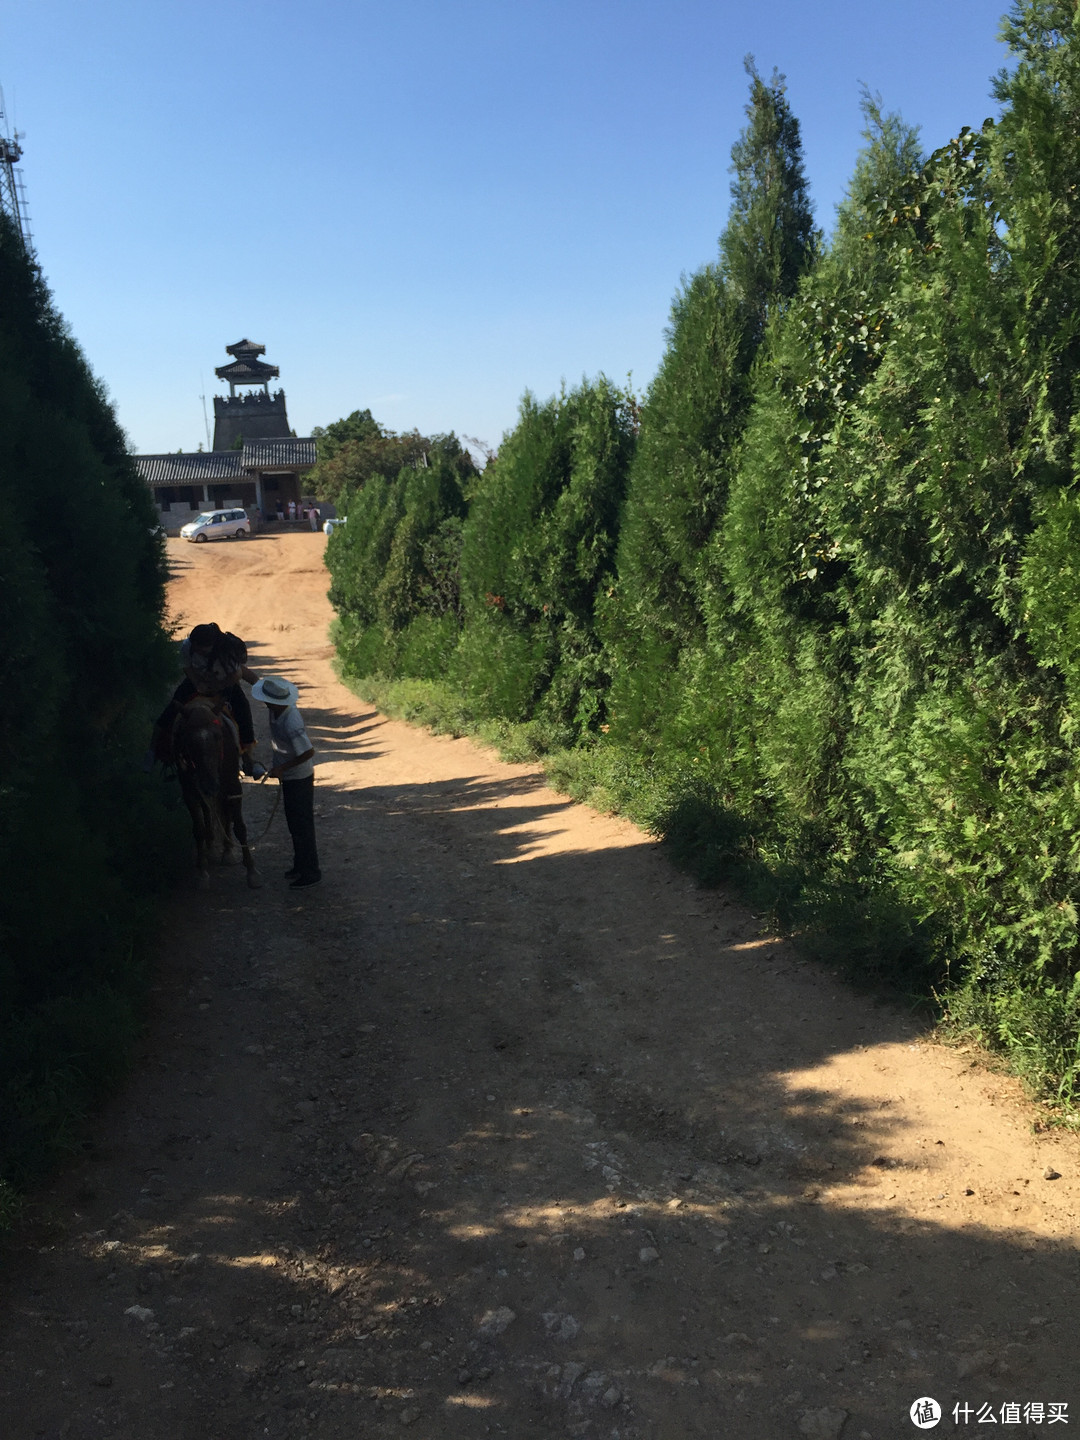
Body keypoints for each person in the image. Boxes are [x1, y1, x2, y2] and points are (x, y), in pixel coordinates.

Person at [148, 623, 267, 778]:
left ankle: (248, 758)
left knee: (242, 708)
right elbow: (187, 667)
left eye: (201, 648)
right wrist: (198, 683)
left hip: (225, 682)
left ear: (211, 645)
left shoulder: (227, 651)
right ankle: (153, 751)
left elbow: (235, 675)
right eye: (195, 646)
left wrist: (217, 686)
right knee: (172, 708)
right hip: (198, 681)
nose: (197, 650)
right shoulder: (187, 646)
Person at [251, 675, 321, 888]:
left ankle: (310, 871)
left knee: (302, 826)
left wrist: (282, 768)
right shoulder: (277, 712)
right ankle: (301, 865)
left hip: (299, 777)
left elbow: (308, 751)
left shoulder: (291, 721)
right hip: (293, 777)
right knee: (295, 824)